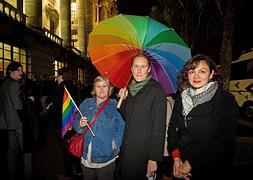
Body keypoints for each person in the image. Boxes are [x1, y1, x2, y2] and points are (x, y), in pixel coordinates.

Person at [168, 54, 239, 180]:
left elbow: (223, 139)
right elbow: (173, 128)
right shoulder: (181, 98)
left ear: (211, 74)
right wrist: (176, 157)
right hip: (181, 163)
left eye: (202, 71)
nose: (196, 76)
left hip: (211, 167)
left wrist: (190, 163)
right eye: (192, 71)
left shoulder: (225, 100)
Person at [118, 53, 167, 180]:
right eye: (136, 66)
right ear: (131, 69)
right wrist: (122, 99)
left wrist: (153, 158)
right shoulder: (131, 89)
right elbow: (127, 117)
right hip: (127, 149)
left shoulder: (156, 89)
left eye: (143, 67)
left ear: (149, 69)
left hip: (143, 152)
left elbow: (159, 126)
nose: (139, 70)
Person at [72, 75, 125, 180]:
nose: (101, 89)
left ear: (110, 89)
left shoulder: (116, 106)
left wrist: (114, 145)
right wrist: (80, 125)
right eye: (98, 86)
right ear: (94, 89)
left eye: (104, 86)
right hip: (86, 156)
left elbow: (121, 128)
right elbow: (76, 119)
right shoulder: (86, 103)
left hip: (105, 158)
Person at [51, 67, 81, 179]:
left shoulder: (60, 88)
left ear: (61, 76)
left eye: (58, 75)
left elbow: (56, 108)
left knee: (65, 149)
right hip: (74, 122)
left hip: (63, 124)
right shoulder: (75, 87)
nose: (57, 78)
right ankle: (78, 170)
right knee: (74, 145)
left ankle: (68, 173)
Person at [0, 62, 24, 180]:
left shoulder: (4, 83)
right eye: (18, 70)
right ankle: (28, 174)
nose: (21, 72)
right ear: (10, 71)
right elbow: (18, 106)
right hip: (17, 121)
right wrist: (28, 101)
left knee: (12, 149)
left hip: (8, 122)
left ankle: (11, 173)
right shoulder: (15, 85)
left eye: (21, 70)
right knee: (26, 148)